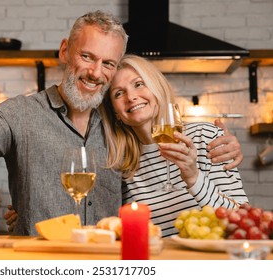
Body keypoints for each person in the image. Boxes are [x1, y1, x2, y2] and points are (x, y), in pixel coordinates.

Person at [0, 11, 243, 236]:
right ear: (66, 51)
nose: (96, 73)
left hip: (109, 268)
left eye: (108, 63)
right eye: (87, 57)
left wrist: (216, 145)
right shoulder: (21, 114)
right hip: (38, 265)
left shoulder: (119, 124)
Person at [99, 54, 249, 237]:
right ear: (115, 112)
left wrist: (194, 178)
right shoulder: (121, 164)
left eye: (139, 84)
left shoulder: (205, 136)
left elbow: (243, 219)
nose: (131, 97)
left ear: (157, 89)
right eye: (118, 93)